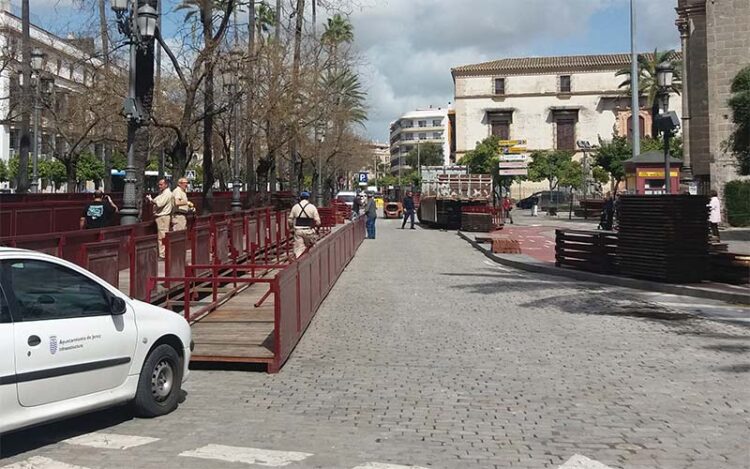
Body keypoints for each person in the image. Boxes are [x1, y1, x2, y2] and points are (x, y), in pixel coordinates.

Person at [288, 191, 321, 259]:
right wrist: (316, 230)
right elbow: (318, 222)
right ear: (308, 198)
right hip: (309, 231)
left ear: (300, 198)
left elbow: (290, 220)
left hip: (298, 231)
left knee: (299, 249)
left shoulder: (295, 207)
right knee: (311, 248)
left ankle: (299, 262)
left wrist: (291, 228)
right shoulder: (312, 207)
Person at [147, 178, 174, 259]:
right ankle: (163, 253)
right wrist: (151, 200)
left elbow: (159, 203)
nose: (159, 186)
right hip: (161, 217)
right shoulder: (163, 193)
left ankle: (163, 254)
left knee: (162, 236)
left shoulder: (167, 193)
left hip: (163, 217)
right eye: (159, 184)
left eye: (161, 184)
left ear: (166, 185)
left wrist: (151, 200)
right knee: (162, 235)